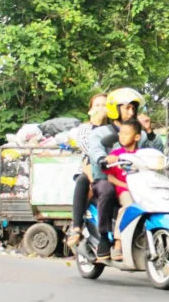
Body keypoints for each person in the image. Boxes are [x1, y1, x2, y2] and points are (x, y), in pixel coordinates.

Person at [87, 88, 163, 260]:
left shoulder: (140, 134)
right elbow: (94, 149)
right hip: (107, 178)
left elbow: (157, 152)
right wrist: (103, 158)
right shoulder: (101, 132)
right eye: (127, 107)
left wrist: (149, 131)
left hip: (134, 181)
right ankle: (106, 239)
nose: (131, 112)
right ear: (115, 109)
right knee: (106, 190)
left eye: (133, 108)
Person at [67, 93, 108, 248]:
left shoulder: (113, 127)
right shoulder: (84, 129)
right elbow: (88, 148)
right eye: (97, 105)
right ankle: (76, 225)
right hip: (90, 167)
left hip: (112, 169)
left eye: (104, 105)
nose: (101, 109)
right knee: (83, 181)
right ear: (90, 110)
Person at [103, 119, 142, 261]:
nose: (122, 136)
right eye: (121, 133)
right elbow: (110, 178)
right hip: (124, 190)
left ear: (137, 137)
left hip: (142, 190)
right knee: (128, 206)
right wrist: (125, 186)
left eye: (126, 134)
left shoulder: (142, 155)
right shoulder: (116, 154)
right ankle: (118, 245)